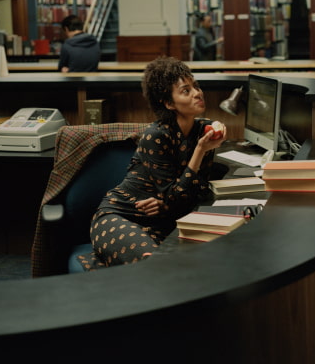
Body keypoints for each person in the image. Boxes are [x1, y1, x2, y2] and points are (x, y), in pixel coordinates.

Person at [77, 56, 227, 270]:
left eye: (196, 86)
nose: (197, 93)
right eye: (186, 90)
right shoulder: (156, 135)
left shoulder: (203, 131)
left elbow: (197, 191)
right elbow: (176, 197)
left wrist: (166, 204)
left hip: (161, 223)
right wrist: (200, 151)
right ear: (169, 103)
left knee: (200, 263)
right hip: (120, 216)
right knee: (156, 267)